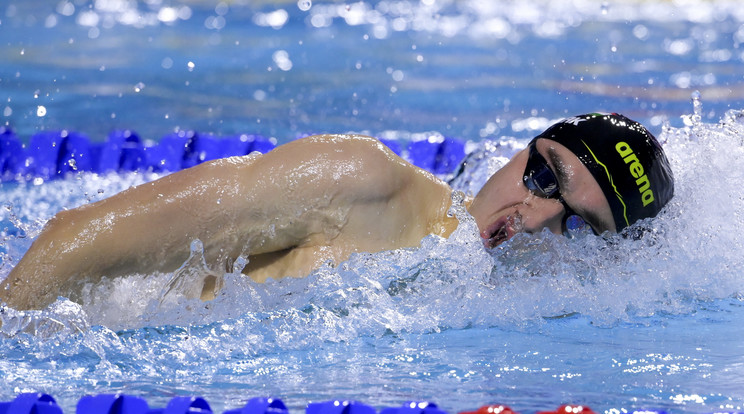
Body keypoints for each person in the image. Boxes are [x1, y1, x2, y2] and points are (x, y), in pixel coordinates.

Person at [0, 113, 674, 310]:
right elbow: (77, 238)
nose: (534, 215)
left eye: (579, 226)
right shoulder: (364, 181)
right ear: (518, 150)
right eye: (542, 174)